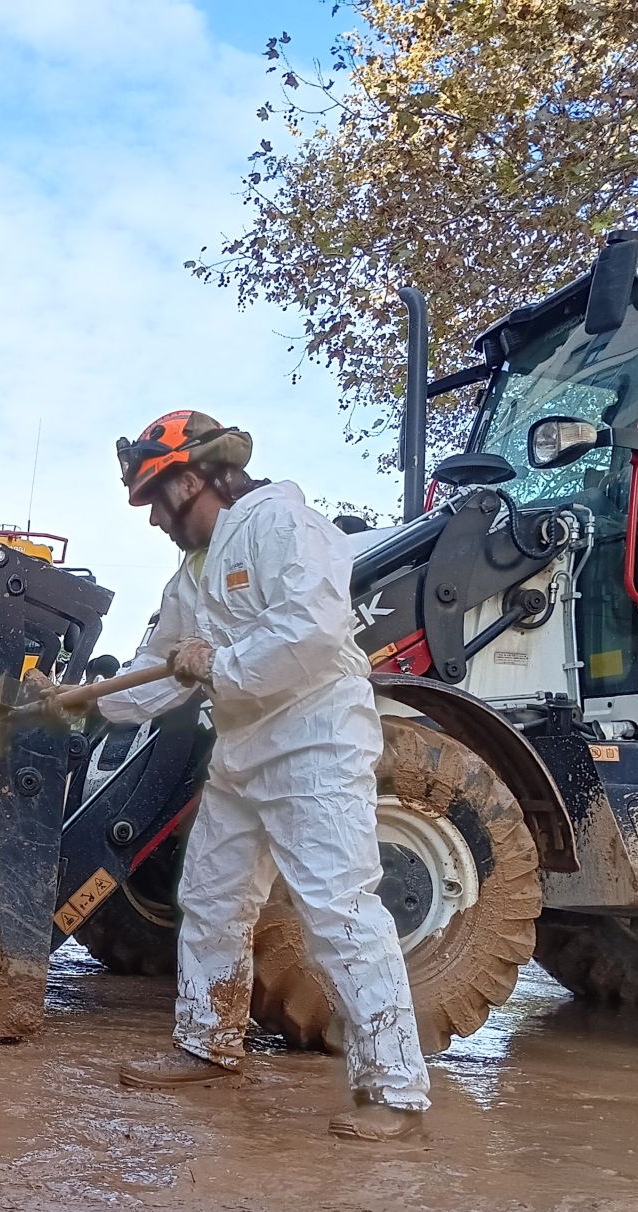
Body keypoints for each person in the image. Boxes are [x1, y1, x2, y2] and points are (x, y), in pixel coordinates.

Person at [96, 410, 430, 1140]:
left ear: (190, 480)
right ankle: (208, 1045)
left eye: (155, 499)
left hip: (314, 746)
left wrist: (218, 665)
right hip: (244, 753)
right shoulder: (193, 570)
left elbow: (311, 635)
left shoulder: (285, 525)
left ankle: (394, 1090)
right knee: (211, 899)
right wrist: (73, 708)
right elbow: (160, 672)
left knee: (340, 912)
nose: (152, 520)